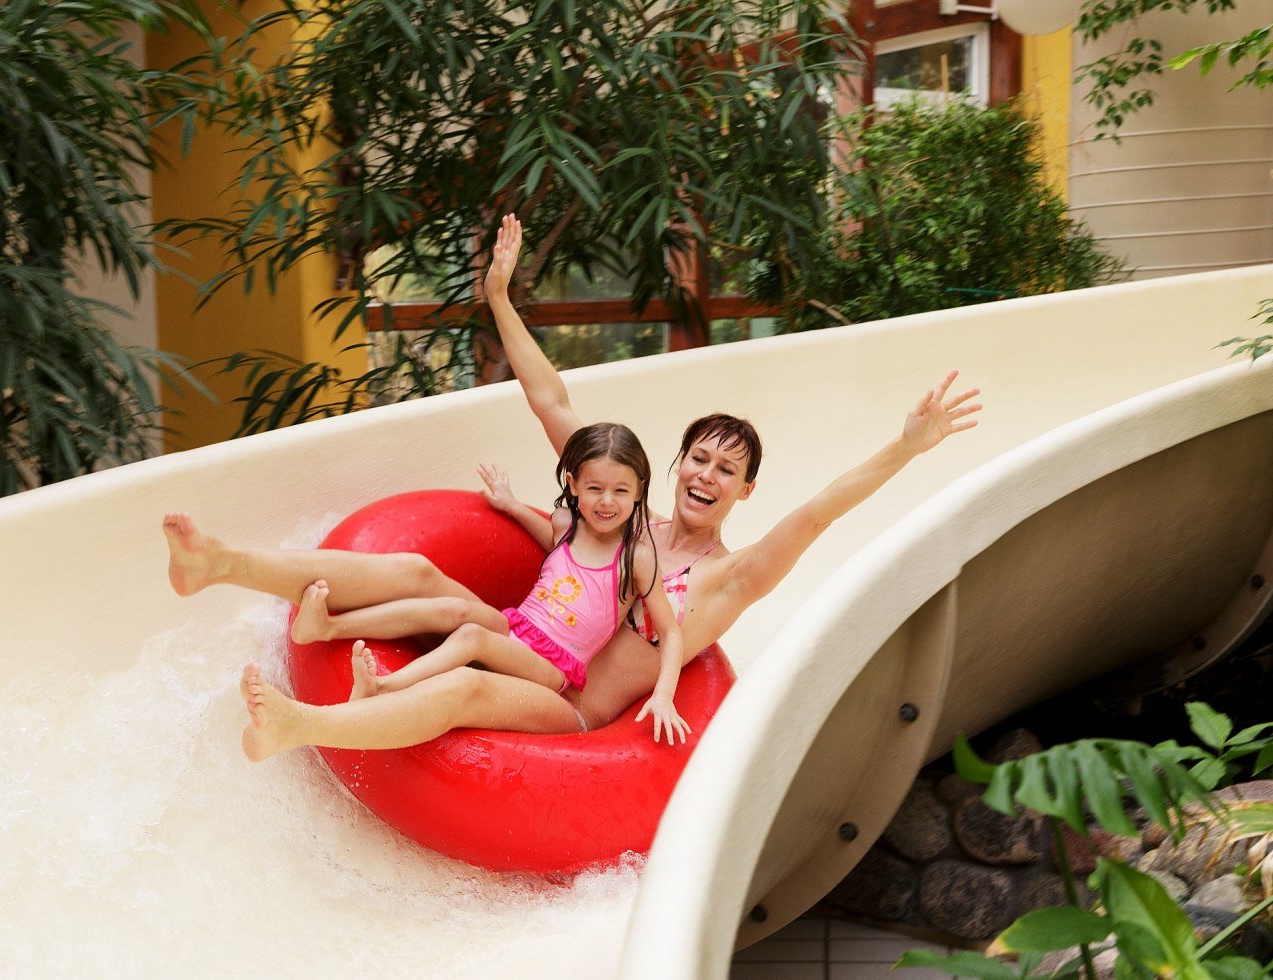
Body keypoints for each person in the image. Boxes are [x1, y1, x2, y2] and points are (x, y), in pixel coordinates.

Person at [163, 214, 979, 756]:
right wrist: (498, 299)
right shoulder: (624, 522)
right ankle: (223, 562)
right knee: (423, 579)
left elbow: (819, 512)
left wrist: (905, 448)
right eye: (699, 456)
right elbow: (553, 402)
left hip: (576, 709)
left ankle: (306, 726)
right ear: (679, 461)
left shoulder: (732, 576)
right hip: (532, 641)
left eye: (727, 469)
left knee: (470, 682)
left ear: (744, 491)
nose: (705, 474)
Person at [291, 422, 689, 748]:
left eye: (621, 491)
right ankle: (328, 627)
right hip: (516, 628)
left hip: (553, 667)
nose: (607, 502)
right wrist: (510, 503)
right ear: (572, 485)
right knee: (453, 610)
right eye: (595, 489)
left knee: (471, 636)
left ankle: (382, 686)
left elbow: (671, 633)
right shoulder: (566, 524)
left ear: (638, 490)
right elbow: (551, 541)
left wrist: (665, 694)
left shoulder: (636, 557)